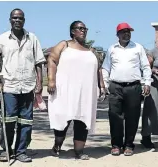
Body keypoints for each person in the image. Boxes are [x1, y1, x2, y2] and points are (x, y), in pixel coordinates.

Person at [0, 8, 45, 163]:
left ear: (24, 20)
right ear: (10, 20)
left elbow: (39, 62)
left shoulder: (33, 38)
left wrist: (40, 82)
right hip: (9, 86)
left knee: (26, 120)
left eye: (20, 18)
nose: (17, 20)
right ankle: (6, 150)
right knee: (8, 120)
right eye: (14, 18)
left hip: (28, 85)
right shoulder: (2, 39)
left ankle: (21, 151)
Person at [47, 20, 105, 160]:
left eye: (85, 28)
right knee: (63, 118)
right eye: (80, 28)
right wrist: (51, 80)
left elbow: (98, 69)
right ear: (73, 31)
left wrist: (102, 86)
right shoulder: (64, 45)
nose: (83, 31)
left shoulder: (91, 50)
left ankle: (79, 151)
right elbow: (52, 60)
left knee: (82, 119)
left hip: (86, 91)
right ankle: (57, 145)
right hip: (65, 89)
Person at [102, 22, 152, 156]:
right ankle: (116, 145)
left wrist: (147, 83)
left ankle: (129, 145)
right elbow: (106, 68)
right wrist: (105, 86)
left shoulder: (138, 48)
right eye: (123, 31)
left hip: (133, 87)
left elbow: (146, 66)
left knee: (132, 117)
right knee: (115, 116)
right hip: (115, 86)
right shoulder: (112, 48)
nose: (127, 33)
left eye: (128, 31)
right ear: (117, 34)